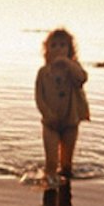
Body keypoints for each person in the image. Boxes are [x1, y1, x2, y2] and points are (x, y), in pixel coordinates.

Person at [35, 28, 90, 186]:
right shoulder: (43, 72)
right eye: (54, 46)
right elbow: (39, 97)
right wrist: (46, 113)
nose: (58, 49)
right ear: (47, 50)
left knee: (66, 165)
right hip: (50, 124)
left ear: (70, 50)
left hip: (70, 123)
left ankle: (65, 192)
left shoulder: (73, 70)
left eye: (63, 45)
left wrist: (69, 63)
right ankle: (50, 186)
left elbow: (82, 79)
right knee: (51, 162)